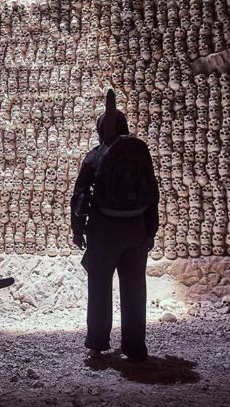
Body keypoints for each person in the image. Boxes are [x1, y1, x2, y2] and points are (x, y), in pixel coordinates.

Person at [70, 89, 160, 361]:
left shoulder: (95, 156)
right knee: (134, 288)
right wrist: (150, 230)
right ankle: (135, 347)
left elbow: (80, 195)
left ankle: (97, 343)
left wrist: (77, 229)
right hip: (135, 230)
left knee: (99, 286)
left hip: (104, 231)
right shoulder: (139, 153)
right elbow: (152, 192)